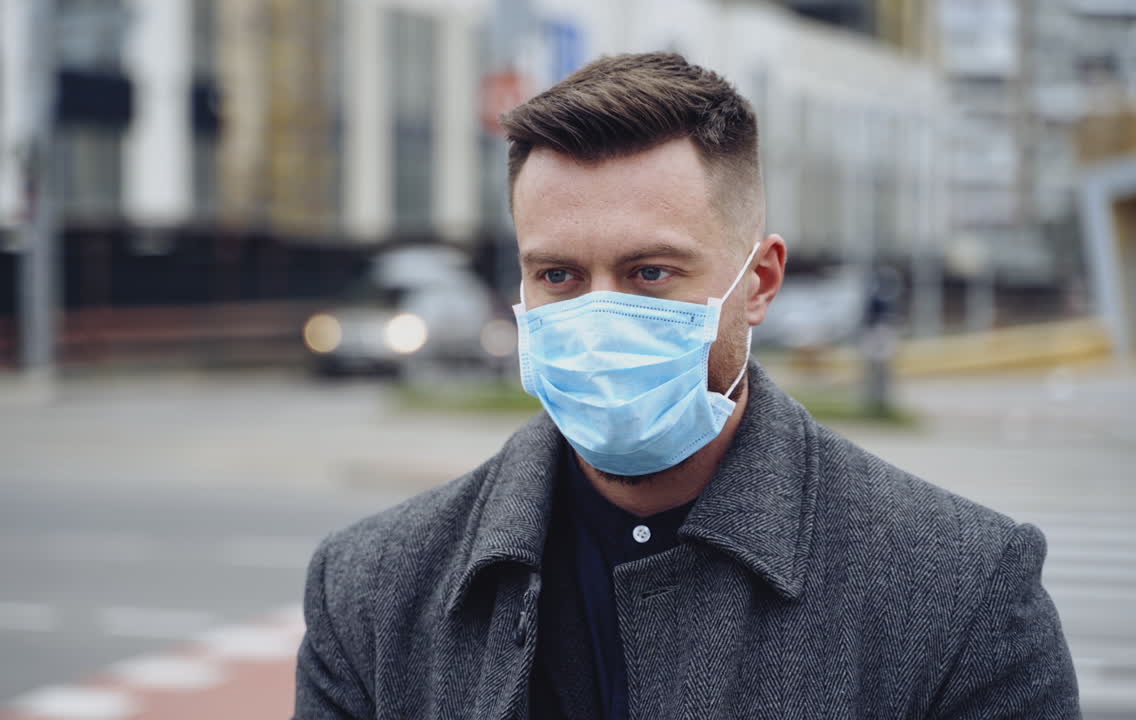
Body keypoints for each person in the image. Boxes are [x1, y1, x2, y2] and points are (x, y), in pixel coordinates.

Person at [294, 52, 1079, 719]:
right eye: (558, 275)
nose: (600, 315)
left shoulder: (958, 592)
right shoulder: (370, 592)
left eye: (651, 273)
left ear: (760, 281)